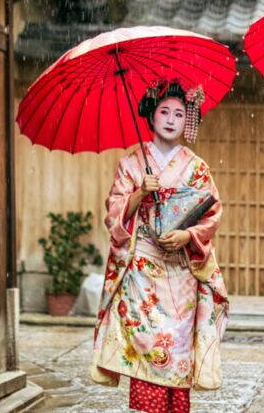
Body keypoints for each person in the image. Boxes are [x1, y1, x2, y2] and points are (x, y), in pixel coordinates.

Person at [90, 80, 227, 413]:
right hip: (142, 271)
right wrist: (139, 194)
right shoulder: (131, 163)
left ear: (187, 120)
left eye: (179, 114)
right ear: (151, 116)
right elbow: (113, 214)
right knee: (147, 343)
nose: (171, 120)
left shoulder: (197, 167)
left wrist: (187, 237)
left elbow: (212, 214)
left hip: (180, 271)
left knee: (176, 346)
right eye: (164, 111)